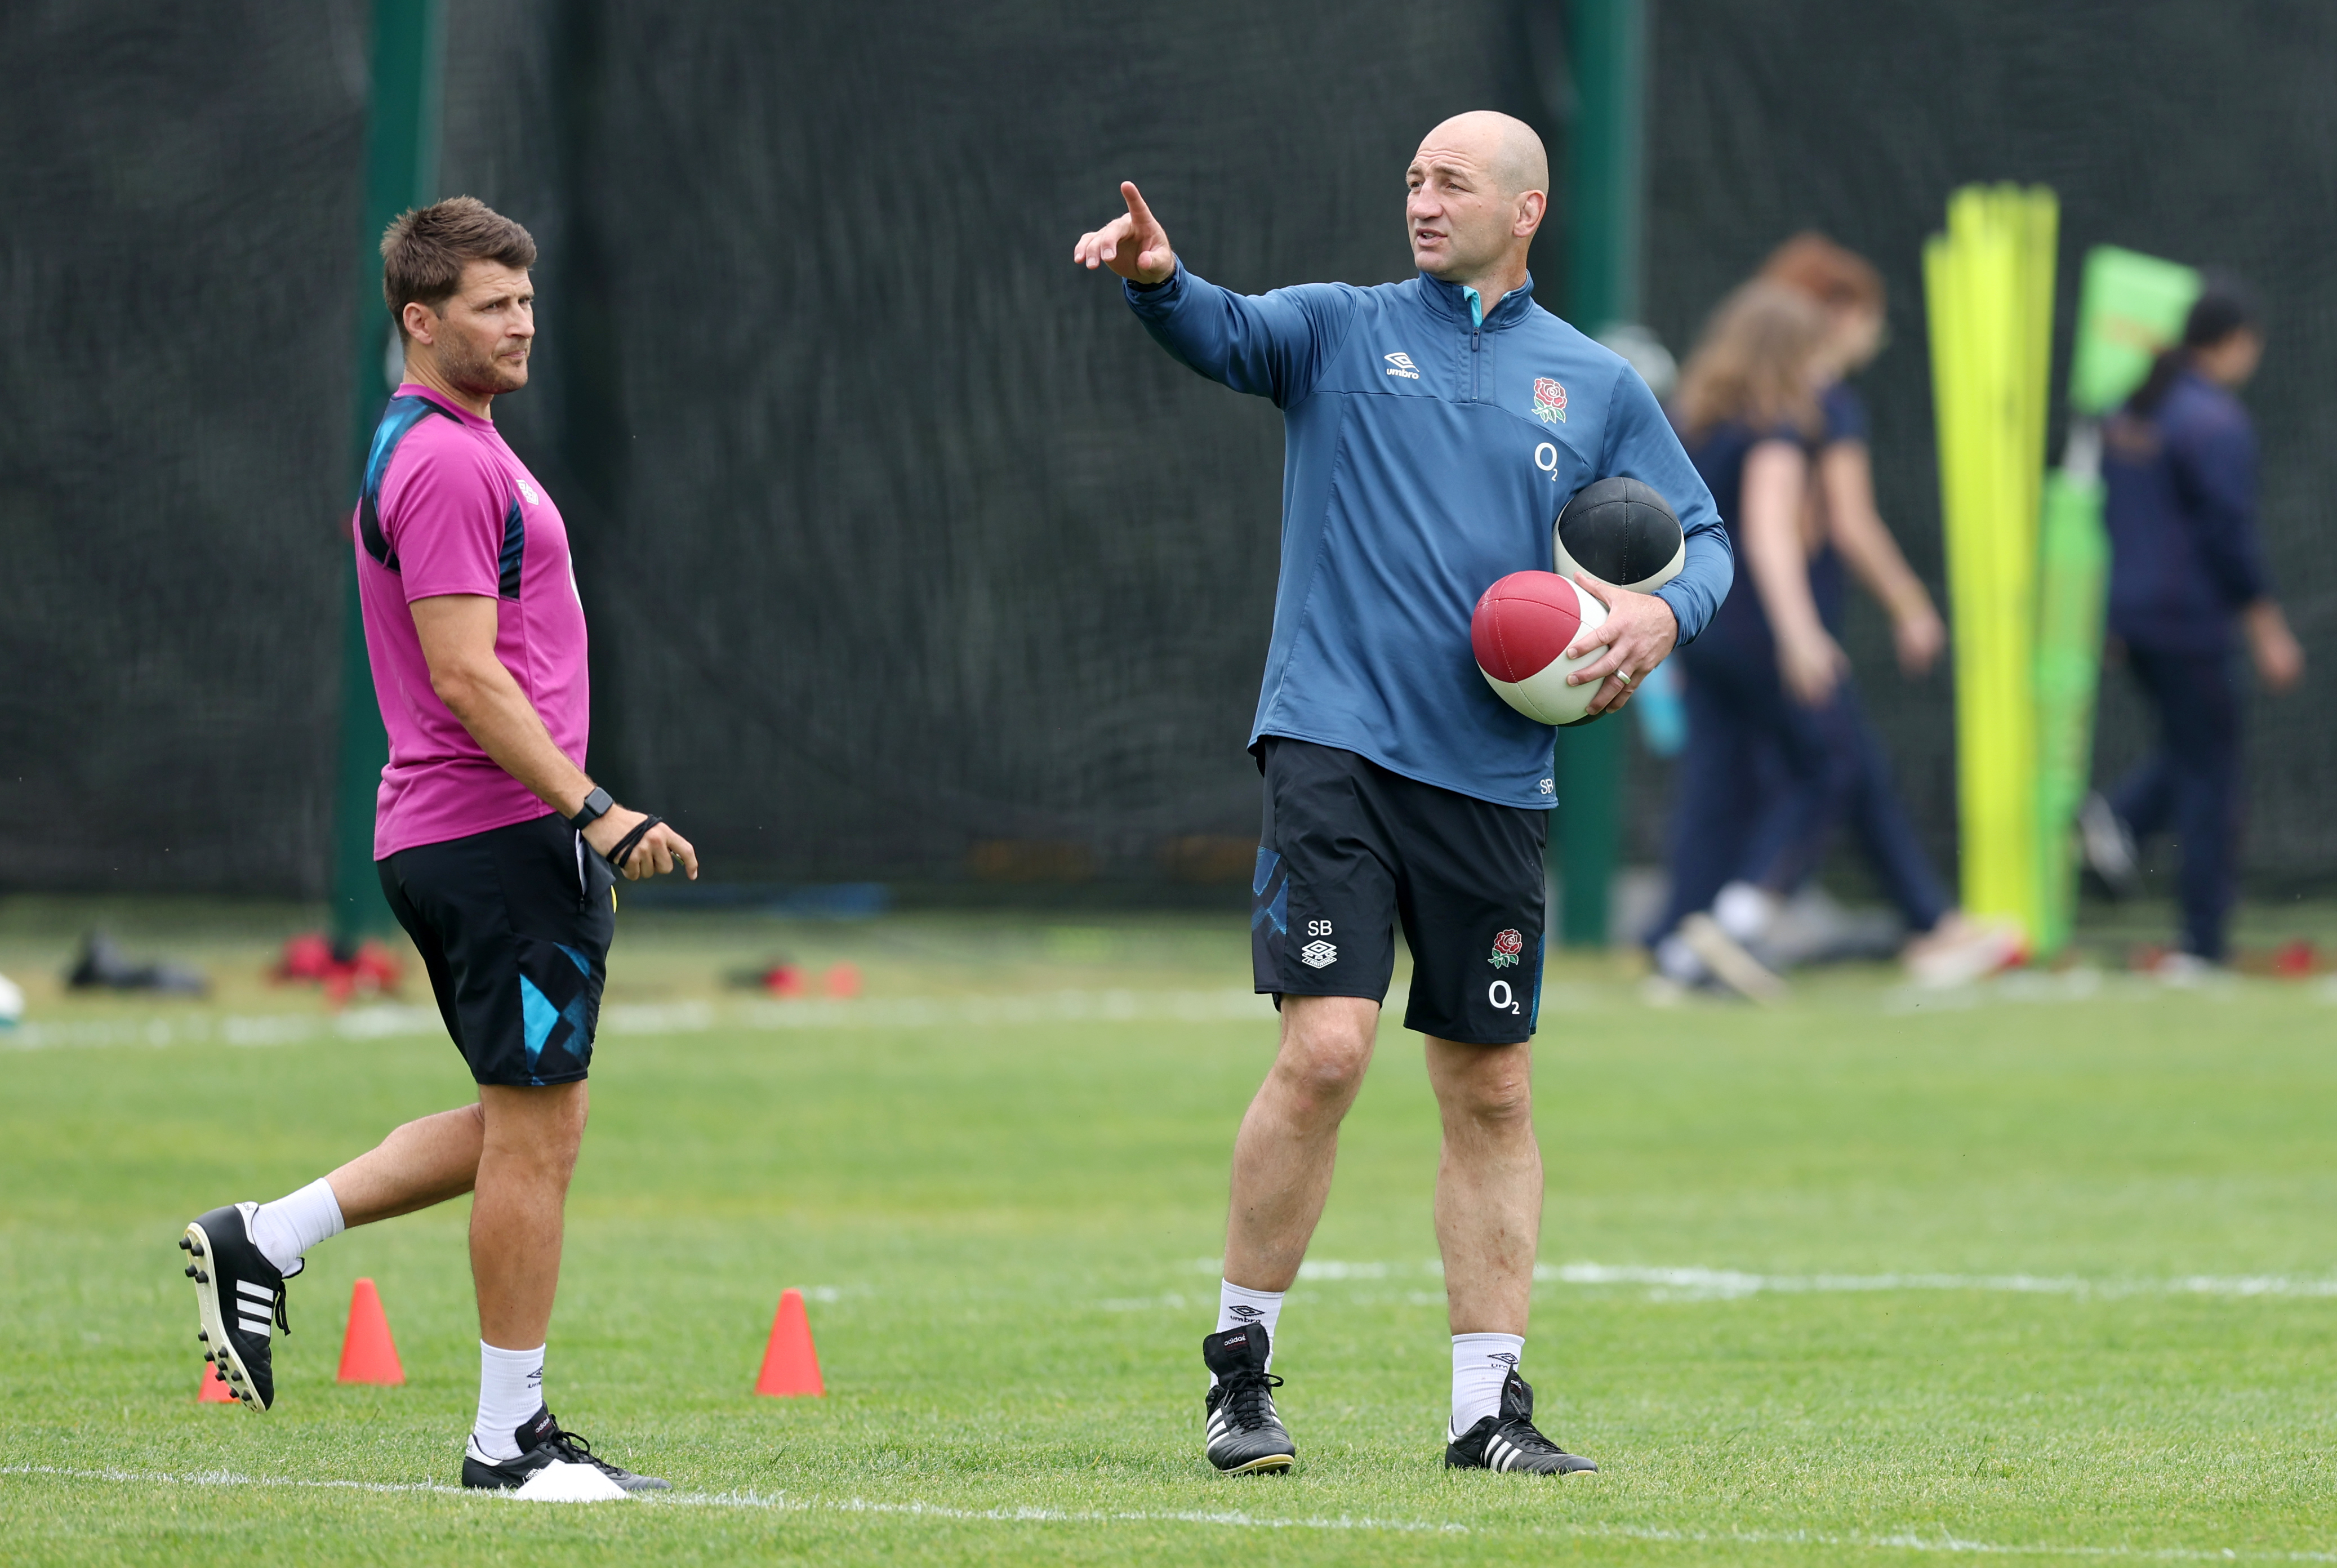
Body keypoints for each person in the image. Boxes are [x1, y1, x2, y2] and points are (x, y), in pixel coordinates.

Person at [1073, 111, 1731, 1477]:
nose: (1421, 202)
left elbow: (1699, 540)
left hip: (1493, 772)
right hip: (1333, 743)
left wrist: (1660, 621)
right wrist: (1154, 280)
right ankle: (1238, 1371)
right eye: (1412, 181)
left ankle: (1483, 1408)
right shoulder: (1333, 327)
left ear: (1526, 207)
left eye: (1450, 183)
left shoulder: (1591, 382)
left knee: (1488, 1087)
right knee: (1324, 1047)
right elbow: (1222, 330)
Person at [179, 197, 697, 1492]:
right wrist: (595, 809)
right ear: (420, 319)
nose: (519, 321)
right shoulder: (449, 462)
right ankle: (505, 1439)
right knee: (536, 1132)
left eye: (525, 299)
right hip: (500, 832)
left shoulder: (447, 441)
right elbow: (467, 676)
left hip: (473, 834)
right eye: (489, 303)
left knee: (531, 1122)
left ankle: (265, 1234)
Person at [1690, 238, 2014, 986]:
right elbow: (1790, 533)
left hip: (1699, 621)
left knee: (1758, 776)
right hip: (1767, 626)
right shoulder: (1794, 413)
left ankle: (1689, 939)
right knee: (1829, 766)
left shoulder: (1704, 409)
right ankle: (1734, 927)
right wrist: (1823, 627)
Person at [2082, 277, 2302, 975]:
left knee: (2194, 750)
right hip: (2190, 621)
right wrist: (2267, 627)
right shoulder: (2214, 423)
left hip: (2134, 616)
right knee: (2214, 776)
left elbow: (2106, 519)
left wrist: (2109, 615)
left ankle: (2119, 822)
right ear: (2235, 345)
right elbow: (2228, 537)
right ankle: (2203, 944)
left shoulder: (2128, 412)